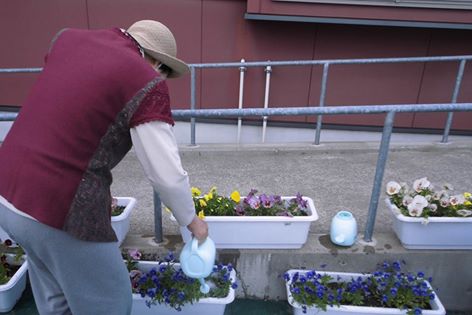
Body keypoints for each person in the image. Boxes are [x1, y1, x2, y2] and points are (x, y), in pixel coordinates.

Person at [0, 20, 207, 315]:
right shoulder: (144, 79)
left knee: (56, 300)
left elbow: (71, 121)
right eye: (163, 70)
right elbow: (166, 175)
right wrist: (191, 221)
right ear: (156, 62)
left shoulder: (70, 40)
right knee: (110, 302)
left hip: (7, 192)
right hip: (56, 208)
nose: (160, 76)